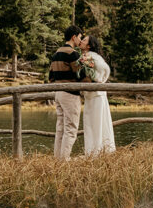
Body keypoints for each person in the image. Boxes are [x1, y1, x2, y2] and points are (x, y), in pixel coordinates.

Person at [49, 25, 85, 159]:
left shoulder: (56, 53)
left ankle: (57, 159)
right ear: (74, 37)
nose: (80, 41)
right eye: (80, 38)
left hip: (58, 94)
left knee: (60, 128)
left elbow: (51, 76)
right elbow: (80, 74)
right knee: (71, 129)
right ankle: (64, 161)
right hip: (70, 94)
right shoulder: (72, 54)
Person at [79, 35, 116, 155]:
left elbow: (95, 72)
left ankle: (94, 152)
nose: (81, 41)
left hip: (94, 94)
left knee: (93, 123)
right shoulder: (97, 57)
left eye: (84, 40)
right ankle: (104, 149)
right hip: (99, 93)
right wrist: (102, 81)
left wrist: (96, 80)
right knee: (101, 122)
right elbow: (106, 70)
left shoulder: (87, 56)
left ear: (89, 45)